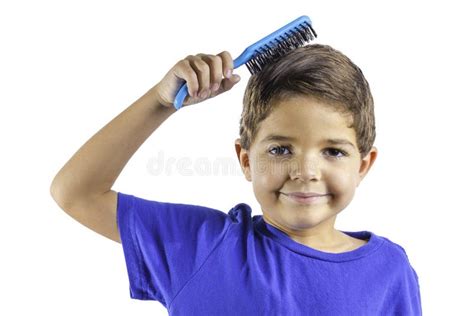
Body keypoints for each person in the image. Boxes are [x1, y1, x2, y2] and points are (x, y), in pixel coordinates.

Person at [50, 44, 422, 315]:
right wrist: (161, 101)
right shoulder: (201, 246)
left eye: (333, 152)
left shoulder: (390, 271)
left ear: (363, 165)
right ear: (246, 159)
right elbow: (75, 191)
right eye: (280, 150)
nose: (305, 171)